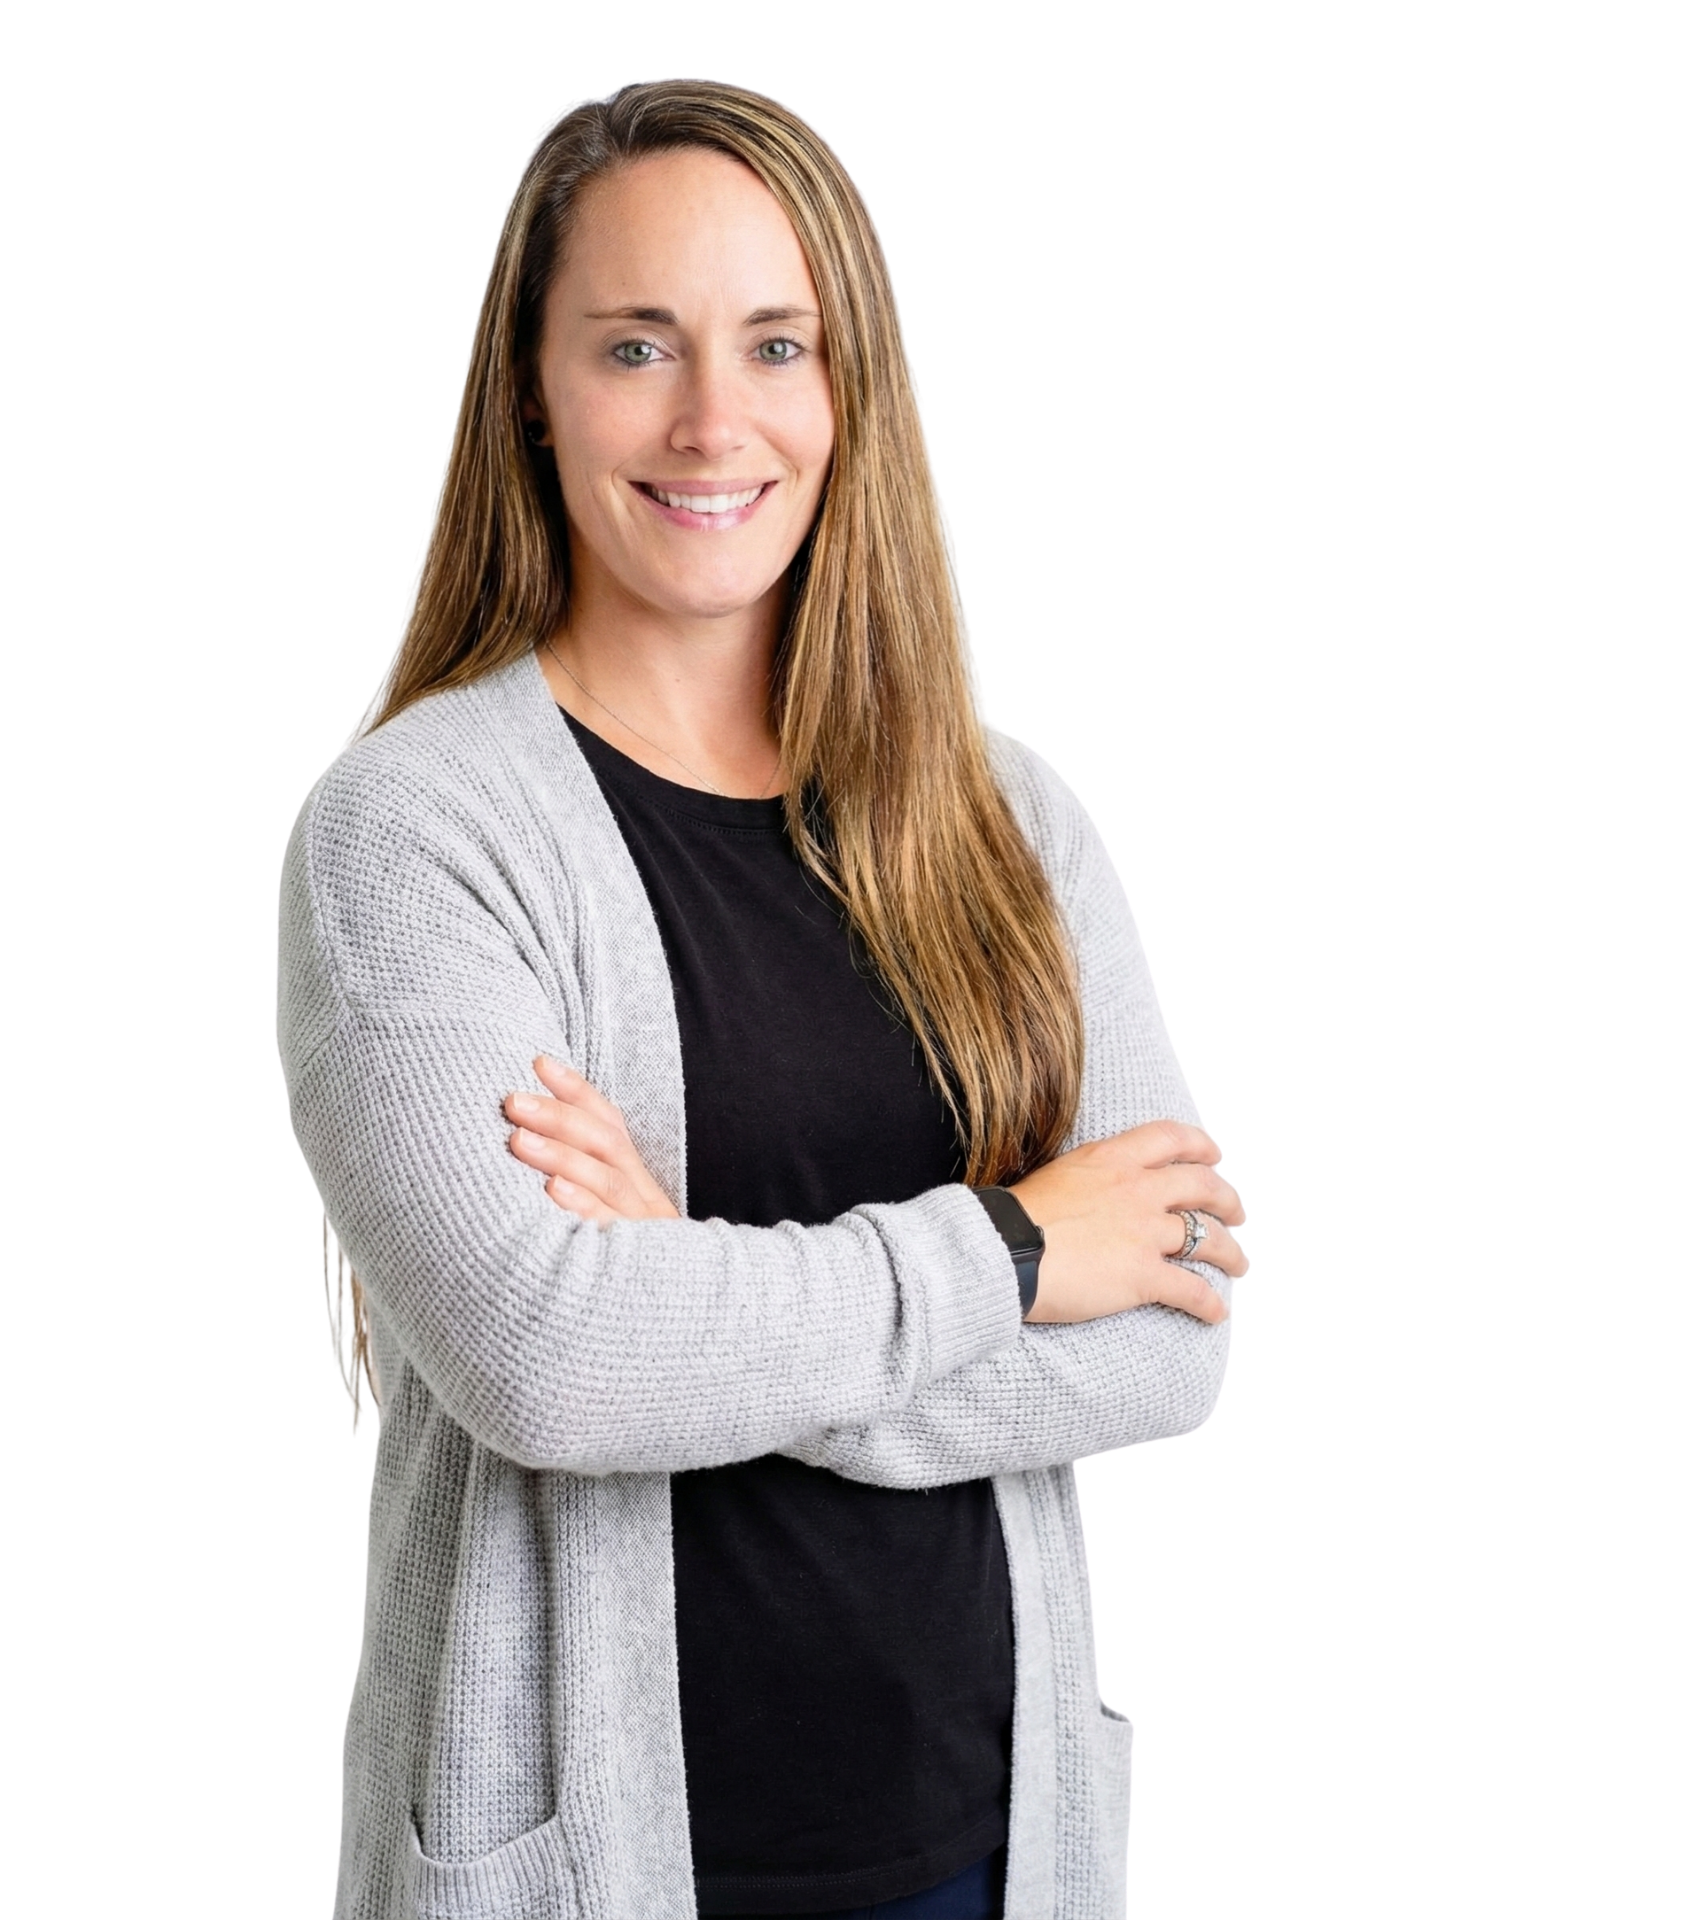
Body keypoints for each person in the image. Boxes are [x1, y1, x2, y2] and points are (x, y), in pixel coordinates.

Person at [276, 77, 1247, 1920]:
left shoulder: (1006, 813)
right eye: (636, 344)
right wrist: (1017, 1254)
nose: (713, 420)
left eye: (775, 344)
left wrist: (692, 1273)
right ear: (533, 393)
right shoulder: (411, 830)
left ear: (846, 391)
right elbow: (554, 1361)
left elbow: (1177, 1337)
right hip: (587, 1871)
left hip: (992, 1845)